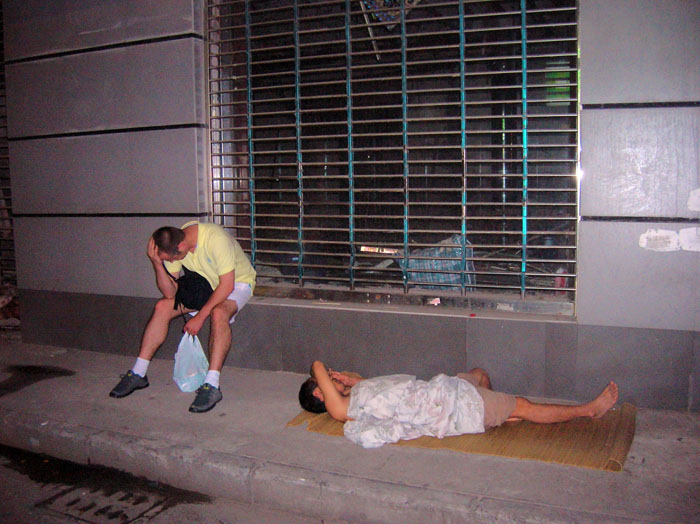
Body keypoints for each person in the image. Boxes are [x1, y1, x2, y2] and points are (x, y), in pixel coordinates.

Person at [299, 360, 619, 448]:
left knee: (479, 374)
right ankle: (588, 410)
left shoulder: (356, 396)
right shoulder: (341, 410)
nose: (333, 376)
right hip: (449, 405)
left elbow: (383, 390)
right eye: (327, 380)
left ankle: (497, 414)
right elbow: (316, 365)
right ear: (320, 394)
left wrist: (350, 380)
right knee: (524, 406)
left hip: (443, 390)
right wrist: (322, 374)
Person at [109, 222, 256, 413]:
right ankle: (139, 372)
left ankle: (212, 385)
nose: (171, 262)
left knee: (218, 312)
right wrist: (157, 263)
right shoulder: (176, 242)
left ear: (182, 247)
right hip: (205, 286)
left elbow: (227, 286)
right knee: (163, 306)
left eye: (171, 259)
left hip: (237, 284)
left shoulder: (216, 240)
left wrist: (200, 317)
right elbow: (170, 293)